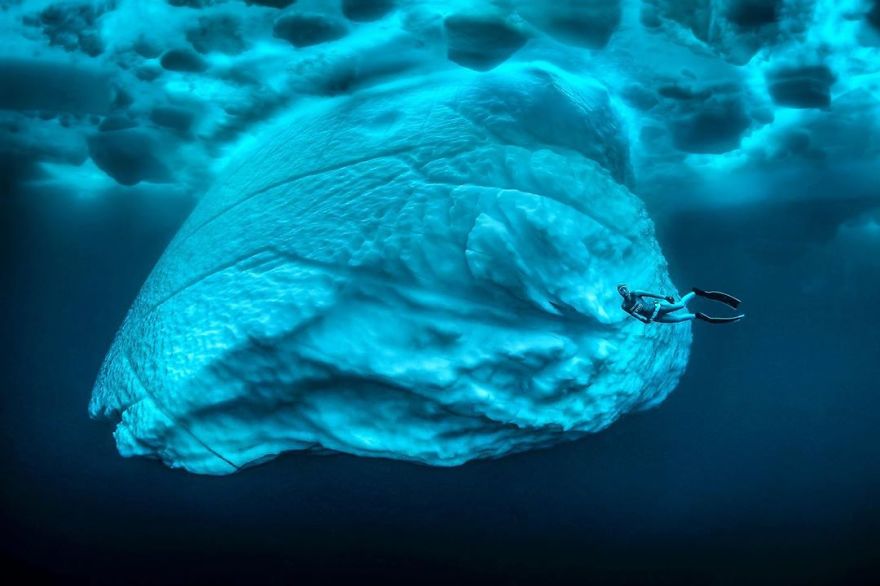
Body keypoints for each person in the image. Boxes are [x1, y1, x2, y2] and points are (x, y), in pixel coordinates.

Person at [617, 284, 744, 324]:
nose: (624, 291)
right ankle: (697, 316)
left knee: (681, 305)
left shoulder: (636, 293)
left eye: (624, 288)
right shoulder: (624, 306)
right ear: (620, 294)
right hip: (654, 317)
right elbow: (635, 314)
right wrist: (644, 320)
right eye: (621, 290)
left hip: (658, 307)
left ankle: (696, 293)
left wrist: (665, 297)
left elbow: (650, 294)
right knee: (678, 319)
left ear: (627, 288)